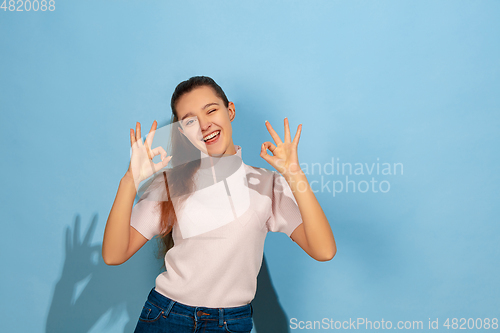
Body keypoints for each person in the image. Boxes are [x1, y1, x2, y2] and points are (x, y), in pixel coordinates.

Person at [102, 76, 337, 333]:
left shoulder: (267, 184)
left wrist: (295, 175)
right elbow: (114, 255)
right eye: (190, 121)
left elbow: (323, 250)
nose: (204, 125)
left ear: (230, 110)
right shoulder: (170, 184)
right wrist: (130, 181)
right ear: (182, 132)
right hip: (165, 316)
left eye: (211, 110)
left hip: (230, 324)